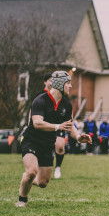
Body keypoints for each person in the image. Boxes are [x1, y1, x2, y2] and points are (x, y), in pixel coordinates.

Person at [16, 71, 92, 207]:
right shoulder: (40, 100)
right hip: (31, 140)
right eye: (68, 84)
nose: (70, 87)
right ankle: (22, 199)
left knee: (43, 182)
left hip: (48, 143)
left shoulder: (66, 105)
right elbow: (37, 123)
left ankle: (27, 178)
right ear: (59, 84)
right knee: (32, 171)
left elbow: (69, 125)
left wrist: (79, 137)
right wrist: (58, 127)